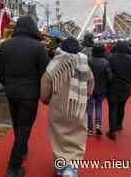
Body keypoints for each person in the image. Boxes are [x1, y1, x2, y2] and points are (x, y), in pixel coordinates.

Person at [0, 15, 49, 177]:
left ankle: (22, 149)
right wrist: (39, 91)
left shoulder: (5, 45)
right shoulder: (39, 47)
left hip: (11, 92)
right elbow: (44, 72)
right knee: (24, 128)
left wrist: (8, 84)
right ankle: (13, 167)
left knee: (17, 124)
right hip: (30, 93)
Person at [40, 38, 94, 177]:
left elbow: (45, 86)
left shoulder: (54, 65)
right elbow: (90, 87)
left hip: (58, 106)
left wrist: (45, 100)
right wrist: (85, 97)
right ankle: (71, 168)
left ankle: (61, 166)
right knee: (77, 136)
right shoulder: (85, 65)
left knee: (59, 137)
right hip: (78, 107)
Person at [106, 41, 131, 140]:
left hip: (112, 86)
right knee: (121, 106)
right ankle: (119, 124)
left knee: (112, 108)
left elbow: (107, 73)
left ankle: (112, 131)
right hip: (125, 87)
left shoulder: (110, 58)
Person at [87, 43, 113, 136]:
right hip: (101, 88)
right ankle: (98, 125)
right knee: (99, 107)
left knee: (89, 108)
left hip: (90, 87)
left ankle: (89, 129)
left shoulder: (89, 61)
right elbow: (109, 77)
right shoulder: (105, 62)